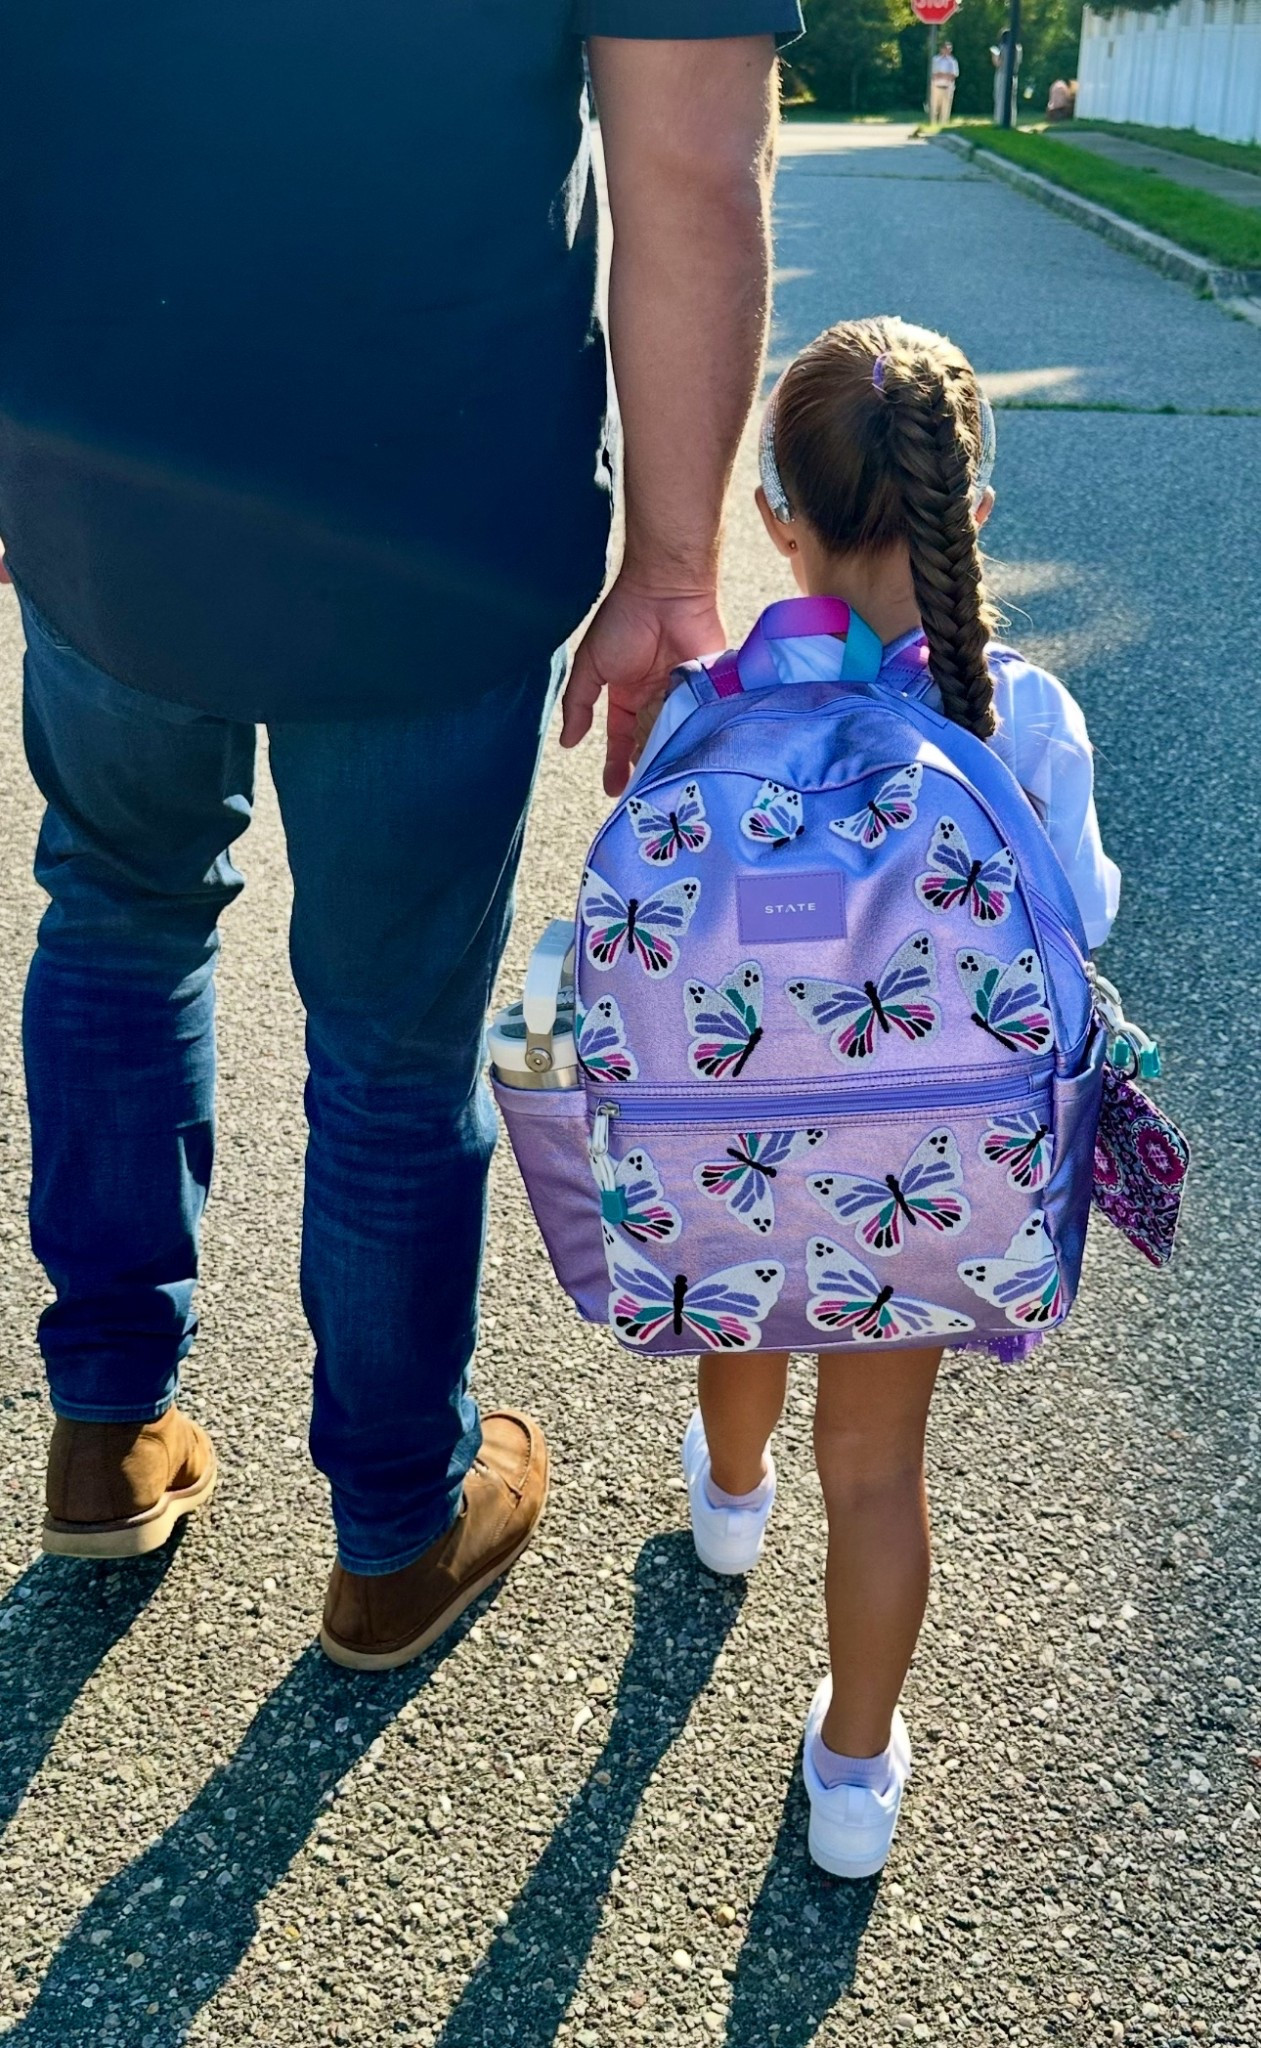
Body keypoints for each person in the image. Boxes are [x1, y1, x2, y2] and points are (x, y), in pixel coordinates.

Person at [0, 0, 802, 1670]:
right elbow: (687, 163)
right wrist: (670, 562)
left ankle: (106, 1429)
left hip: (100, 484)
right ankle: (393, 1524)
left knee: (120, 911)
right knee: (388, 1035)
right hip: (426, 512)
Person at [648, 315, 1119, 1875]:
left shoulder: (705, 711)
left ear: (773, 519)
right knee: (878, 1472)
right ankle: (853, 1777)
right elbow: (1083, 917)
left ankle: (725, 1500)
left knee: (749, 1326)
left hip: (733, 1155)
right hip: (931, 1173)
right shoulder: (1021, 720)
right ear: (965, 513)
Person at [990, 29, 1023, 125]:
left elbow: (998, 63)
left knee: (1000, 97)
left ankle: (999, 120)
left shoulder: (1002, 47)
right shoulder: (1018, 48)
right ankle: (1012, 120)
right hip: (1013, 75)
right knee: (1012, 99)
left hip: (1002, 74)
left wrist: (993, 55)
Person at [929, 40, 959, 126]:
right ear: (941, 49)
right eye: (946, 48)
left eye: (949, 49)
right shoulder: (935, 59)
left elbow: (953, 75)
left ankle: (943, 124)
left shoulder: (953, 61)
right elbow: (934, 74)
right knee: (934, 107)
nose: (947, 51)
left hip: (947, 87)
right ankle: (933, 123)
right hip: (936, 86)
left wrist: (942, 74)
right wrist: (945, 74)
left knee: (946, 108)